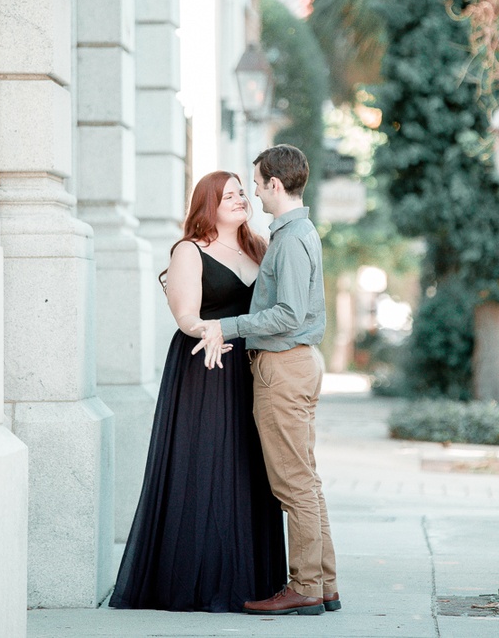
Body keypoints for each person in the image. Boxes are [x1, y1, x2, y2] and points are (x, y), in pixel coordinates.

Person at [109, 171, 286, 613]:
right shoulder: (189, 250)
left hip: (252, 368)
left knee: (249, 467)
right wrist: (207, 331)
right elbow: (185, 314)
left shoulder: (258, 248)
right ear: (208, 203)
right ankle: (196, 581)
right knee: (205, 467)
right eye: (229, 195)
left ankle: (250, 581)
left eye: (243, 192)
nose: (241, 199)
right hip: (206, 366)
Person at [194, 145, 340, 616]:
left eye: (256, 184)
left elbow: (289, 313)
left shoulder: (293, 239)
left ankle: (305, 587)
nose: (253, 192)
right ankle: (324, 585)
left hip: (284, 368)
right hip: (293, 365)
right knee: (306, 481)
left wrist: (228, 325)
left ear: (275, 185)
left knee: (293, 484)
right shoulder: (293, 233)